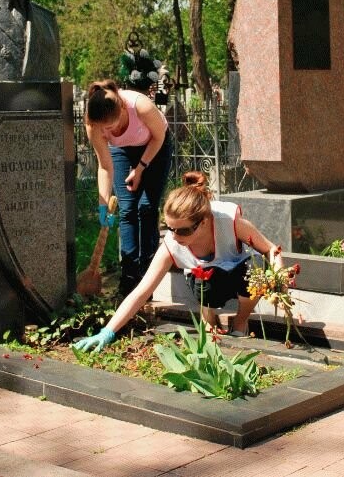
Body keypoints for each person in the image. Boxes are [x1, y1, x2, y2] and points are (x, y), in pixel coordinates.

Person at [74, 171, 284, 351]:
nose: (174, 236)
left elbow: (271, 250)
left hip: (237, 273)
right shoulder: (171, 244)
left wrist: (280, 280)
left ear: (203, 222)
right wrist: (108, 331)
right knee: (204, 281)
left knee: (255, 270)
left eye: (183, 230)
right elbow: (142, 291)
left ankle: (240, 322)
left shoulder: (227, 220)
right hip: (207, 283)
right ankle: (208, 317)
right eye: (169, 228)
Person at [85, 79, 173, 297]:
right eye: (104, 129)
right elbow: (105, 166)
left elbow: (159, 137)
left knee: (146, 207)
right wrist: (103, 205)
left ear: (123, 109)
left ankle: (147, 277)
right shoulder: (93, 123)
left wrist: (141, 168)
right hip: (122, 152)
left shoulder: (140, 106)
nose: (108, 131)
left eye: (111, 127)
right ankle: (129, 278)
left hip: (155, 146)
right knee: (127, 210)